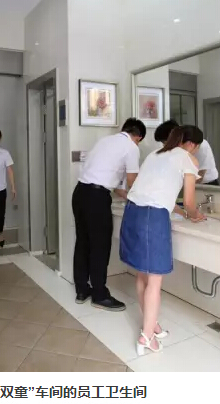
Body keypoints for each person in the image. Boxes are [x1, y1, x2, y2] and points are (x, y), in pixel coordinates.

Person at [119, 125, 206, 356]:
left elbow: (159, 192)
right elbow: (189, 202)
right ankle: (147, 337)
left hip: (132, 211)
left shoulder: (155, 154)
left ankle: (152, 324)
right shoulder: (188, 159)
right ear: (193, 145)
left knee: (142, 274)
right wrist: (195, 215)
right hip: (152, 217)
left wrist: (182, 212)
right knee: (155, 279)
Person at [72, 118, 146, 311]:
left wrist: (129, 196)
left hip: (80, 193)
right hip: (97, 198)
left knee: (83, 242)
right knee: (100, 245)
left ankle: (82, 290)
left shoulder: (105, 141)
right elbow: (132, 181)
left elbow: (115, 185)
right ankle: (99, 294)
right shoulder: (131, 147)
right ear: (138, 137)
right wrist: (144, 197)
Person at [154, 120, 220, 185]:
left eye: (165, 142)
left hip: (206, 184)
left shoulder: (200, 145)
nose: (164, 145)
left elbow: (200, 175)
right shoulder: (176, 148)